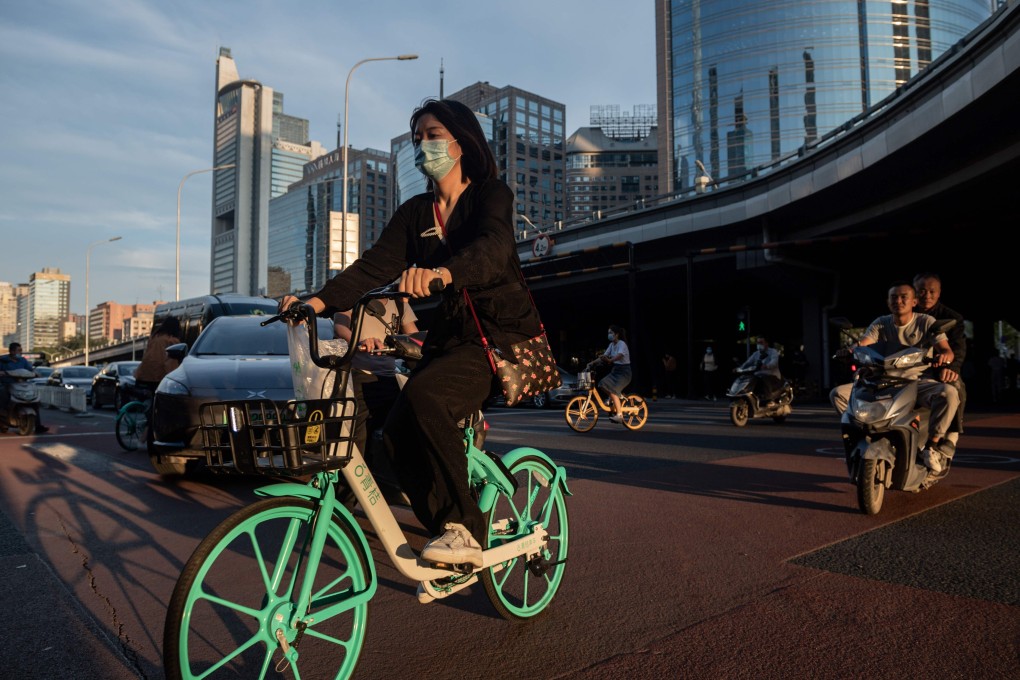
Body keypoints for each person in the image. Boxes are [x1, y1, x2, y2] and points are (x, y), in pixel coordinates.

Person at [279, 98, 545, 568]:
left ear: (461, 143)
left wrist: (443, 274)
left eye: (433, 135)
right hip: (450, 338)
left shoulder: (490, 195)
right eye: (418, 138)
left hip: (500, 338)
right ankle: (445, 528)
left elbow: (494, 249)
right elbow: (371, 268)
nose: (424, 145)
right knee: (397, 433)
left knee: (425, 397)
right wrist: (313, 303)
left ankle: (465, 528)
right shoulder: (415, 214)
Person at [829, 282, 958, 473]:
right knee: (838, 394)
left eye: (904, 297)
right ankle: (861, 436)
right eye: (894, 297)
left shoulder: (926, 321)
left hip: (916, 381)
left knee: (949, 393)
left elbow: (946, 350)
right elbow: (863, 343)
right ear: (888, 302)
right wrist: (850, 350)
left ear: (914, 301)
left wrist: (944, 356)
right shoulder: (881, 323)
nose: (898, 301)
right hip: (883, 381)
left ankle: (932, 446)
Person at [333, 297, 418, 503]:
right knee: (356, 448)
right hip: (359, 378)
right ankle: (343, 507)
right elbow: (340, 326)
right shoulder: (355, 298)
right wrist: (358, 341)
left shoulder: (400, 304)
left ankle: (394, 490)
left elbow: (414, 336)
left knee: (403, 433)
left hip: (389, 379)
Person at [913, 272, 967, 445]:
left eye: (932, 291)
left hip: (938, 367)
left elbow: (958, 347)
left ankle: (951, 437)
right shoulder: (904, 314)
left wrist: (951, 368)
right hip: (905, 368)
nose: (927, 295)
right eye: (922, 290)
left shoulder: (952, 317)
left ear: (939, 292)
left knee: (955, 386)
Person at [0, 342, 48, 433]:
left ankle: (38, 426)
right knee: (2, 394)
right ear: (12, 351)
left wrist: (36, 373)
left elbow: (30, 369)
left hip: (21, 384)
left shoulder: (23, 360)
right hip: (7, 384)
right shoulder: (3, 360)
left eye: (21, 350)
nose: (20, 352)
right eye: (19, 350)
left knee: (34, 402)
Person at [134, 317, 183, 397]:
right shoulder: (172, 340)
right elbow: (171, 363)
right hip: (159, 377)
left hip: (143, 375)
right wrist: (174, 378)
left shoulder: (154, 337)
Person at [595, 325, 632, 422]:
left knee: (613, 391)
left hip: (624, 372)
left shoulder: (622, 344)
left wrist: (610, 360)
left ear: (617, 334)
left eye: (611, 333)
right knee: (602, 383)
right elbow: (604, 356)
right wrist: (591, 363)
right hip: (616, 370)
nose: (609, 335)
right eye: (608, 333)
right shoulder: (611, 345)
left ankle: (619, 416)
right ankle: (612, 398)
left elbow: (619, 355)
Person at [736, 336, 782, 401]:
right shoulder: (756, 354)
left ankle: (769, 400)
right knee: (749, 379)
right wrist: (739, 368)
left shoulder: (773, 352)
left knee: (765, 379)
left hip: (771, 375)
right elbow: (748, 363)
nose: (759, 344)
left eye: (761, 342)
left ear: (766, 343)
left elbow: (774, 362)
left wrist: (766, 366)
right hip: (758, 375)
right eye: (758, 343)